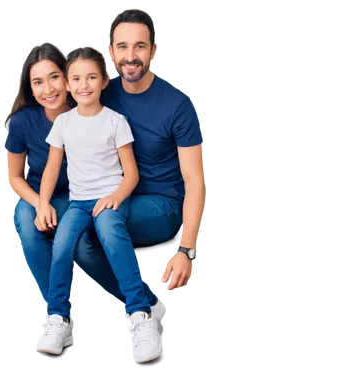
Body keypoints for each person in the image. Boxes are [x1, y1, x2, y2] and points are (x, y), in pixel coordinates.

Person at [73, 6, 206, 328]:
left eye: (139, 46)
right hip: (112, 194)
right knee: (70, 233)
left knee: (96, 222)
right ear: (110, 52)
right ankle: (147, 303)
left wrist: (186, 250)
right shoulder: (101, 93)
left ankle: (140, 313)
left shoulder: (178, 105)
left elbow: (195, 179)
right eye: (122, 46)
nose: (130, 56)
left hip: (161, 205)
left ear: (154, 51)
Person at [33, 45, 164, 364]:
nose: (83, 85)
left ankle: (140, 314)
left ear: (105, 80)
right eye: (75, 78)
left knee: (111, 236)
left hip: (112, 199)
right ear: (66, 83)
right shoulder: (63, 123)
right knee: (62, 245)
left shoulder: (115, 121)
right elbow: (52, 169)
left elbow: (131, 174)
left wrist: (116, 197)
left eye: (91, 77)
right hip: (78, 203)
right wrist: (42, 205)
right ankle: (58, 319)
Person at [3, 41, 74, 307]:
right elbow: (15, 177)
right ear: (30, 88)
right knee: (22, 217)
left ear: (67, 76)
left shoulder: (89, 111)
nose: (49, 89)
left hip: (79, 196)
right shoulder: (22, 122)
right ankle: (57, 312)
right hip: (37, 194)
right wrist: (40, 203)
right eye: (38, 82)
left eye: (54, 77)